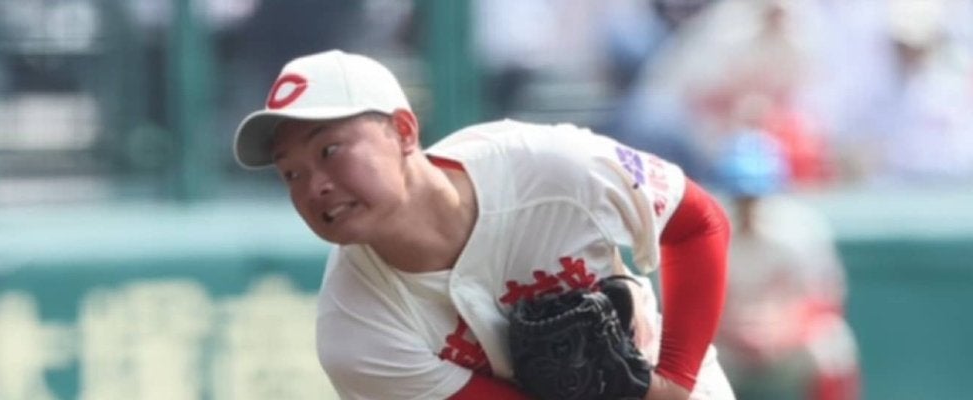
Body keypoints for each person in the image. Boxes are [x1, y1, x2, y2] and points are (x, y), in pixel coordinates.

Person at [232, 49, 735, 399]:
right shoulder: (357, 327)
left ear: (403, 131)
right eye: (291, 173)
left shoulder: (547, 165)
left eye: (330, 150)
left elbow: (698, 222)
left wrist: (674, 380)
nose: (314, 186)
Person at [711, 131, 860, 400]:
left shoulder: (801, 228)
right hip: (725, 344)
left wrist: (783, 328)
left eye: (755, 196)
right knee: (677, 358)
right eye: (740, 196)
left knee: (833, 345)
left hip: (787, 339)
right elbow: (678, 307)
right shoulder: (706, 230)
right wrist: (730, 328)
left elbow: (827, 301)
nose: (748, 205)